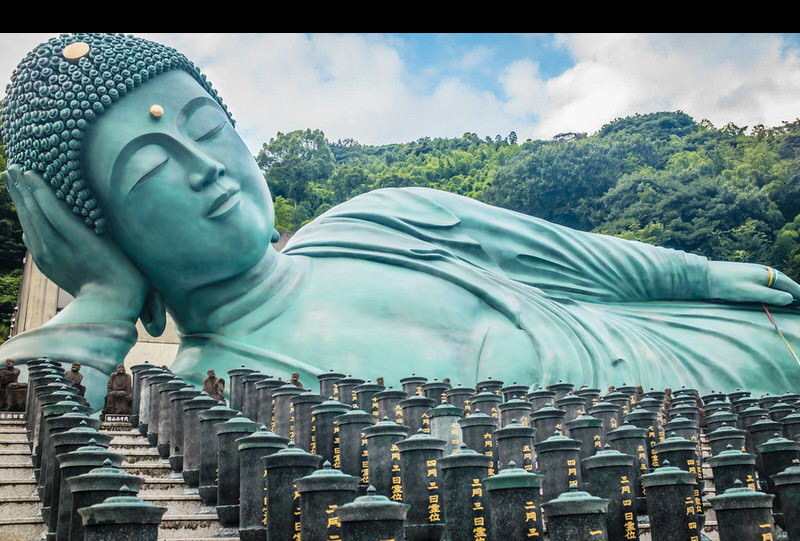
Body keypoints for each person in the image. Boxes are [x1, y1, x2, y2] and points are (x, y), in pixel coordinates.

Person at [2, 33, 800, 411]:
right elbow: (54, 447)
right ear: (99, 231)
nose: (204, 166)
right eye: (149, 170)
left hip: (709, 348)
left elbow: (575, 260)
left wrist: (697, 273)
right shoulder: (196, 394)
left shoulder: (379, 220)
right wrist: (103, 301)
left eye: (208, 129)